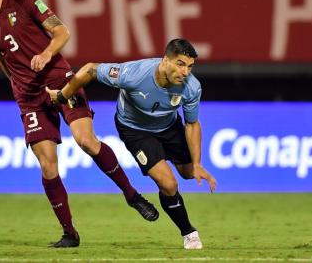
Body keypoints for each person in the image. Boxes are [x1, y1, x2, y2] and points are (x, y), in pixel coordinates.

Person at [0, 0, 158, 248]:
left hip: (60, 79)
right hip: (29, 97)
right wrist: (16, 84)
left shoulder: (26, 1)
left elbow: (62, 32)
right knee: (48, 168)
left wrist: (46, 55)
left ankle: (131, 195)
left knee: (86, 140)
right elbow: (1, 57)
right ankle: (70, 233)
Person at [46, 38, 217, 249]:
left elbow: (192, 124)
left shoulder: (191, 87)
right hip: (135, 130)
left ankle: (188, 176)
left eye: (190, 67)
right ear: (165, 61)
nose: (185, 72)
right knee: (168, 183)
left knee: (188, 173)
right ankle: (189, 232)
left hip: (169, 127)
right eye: (180, 64)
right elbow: (90, 69)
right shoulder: (134, 74)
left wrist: (198, 164)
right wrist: (63, 96)